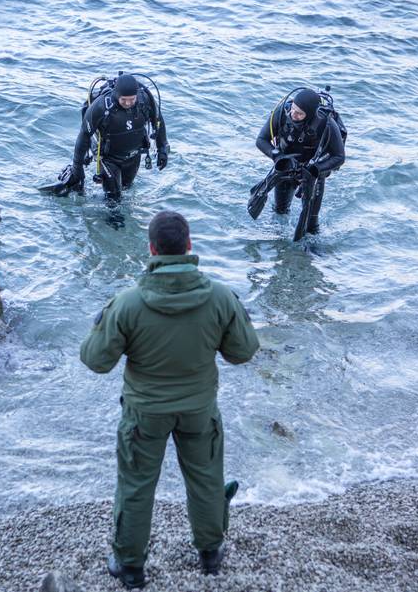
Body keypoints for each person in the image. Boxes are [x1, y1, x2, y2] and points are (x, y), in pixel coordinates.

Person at [80, 211, 259, 589]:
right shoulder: (220, 297)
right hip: (198, 409)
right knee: (207, 479)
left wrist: (101, 321)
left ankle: (130, 566)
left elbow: (96, 360)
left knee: (136, 485)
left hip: (144, 413)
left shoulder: (128, 303)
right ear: (189, 246)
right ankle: (210, 553)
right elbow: (243, 352)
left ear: (151, 249)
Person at [255, 88, 345, 233]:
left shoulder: (326, 124)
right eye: (293, 109)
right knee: (280, 211)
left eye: (299, 113)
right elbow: (261, 140)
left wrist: (316, 169)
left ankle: (311, 252)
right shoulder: (282, 114)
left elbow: (339, 157)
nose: (293, 114)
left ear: (309, 114)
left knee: (311, 223)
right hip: (286, 167)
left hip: (313, 174)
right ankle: (280, 246)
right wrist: (278, 157)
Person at [69, 73, 169, 203]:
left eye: (132, 99)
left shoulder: (145, 101)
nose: (128, 103)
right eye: (123, 100)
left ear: (137, 95)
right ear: (116, 94)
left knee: (126, 189)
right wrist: (77, 168)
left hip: (133, 156)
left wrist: (163, 148)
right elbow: (84, 136)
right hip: (108, 158)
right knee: (113, 200)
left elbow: (158, 122)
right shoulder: (101, 107)